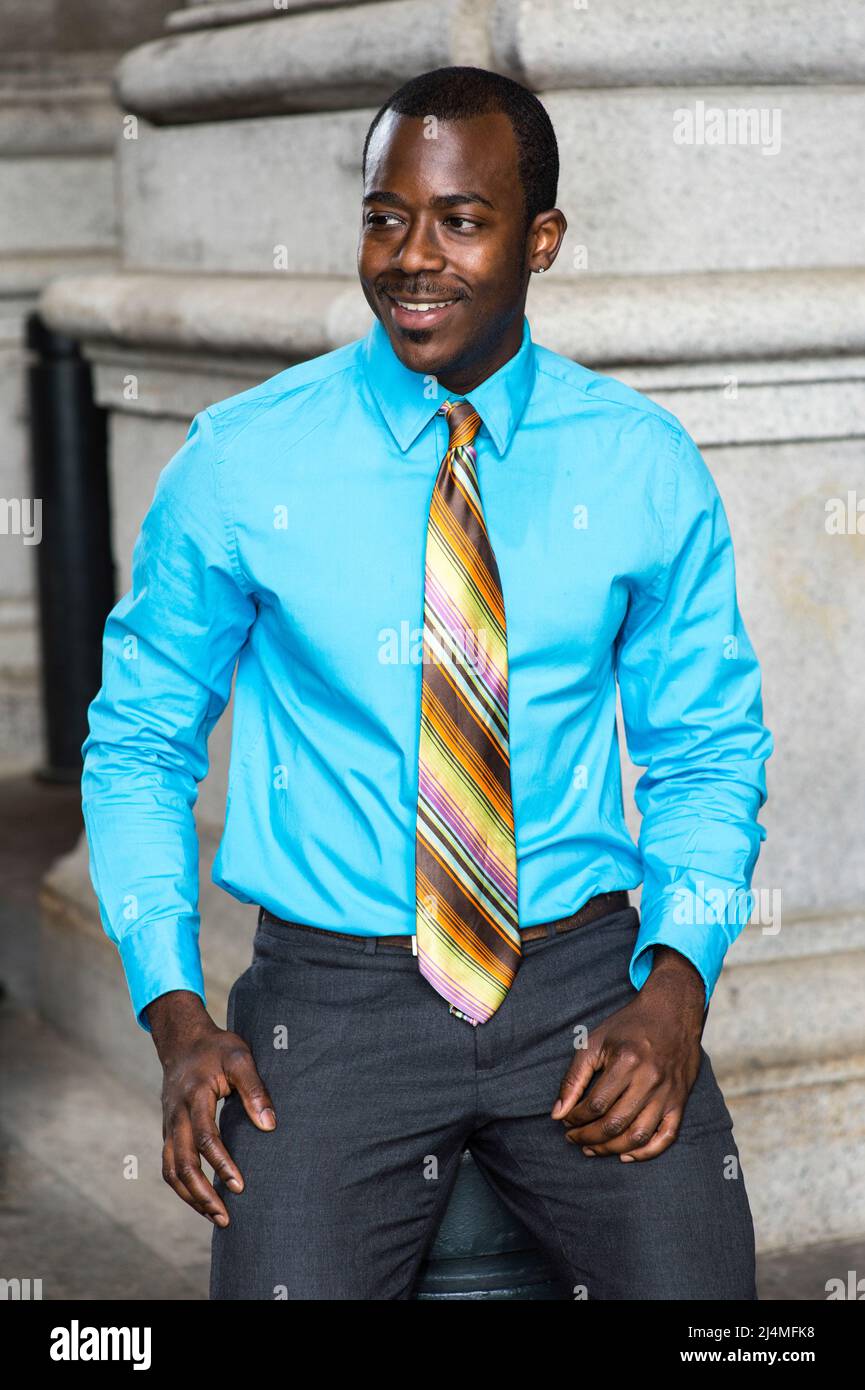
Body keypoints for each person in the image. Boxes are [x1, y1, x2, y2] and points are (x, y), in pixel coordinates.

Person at [80, 66, 773, 1300]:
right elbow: (139, 739)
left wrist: (677, 985)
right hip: (331, 996)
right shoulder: (243, 462)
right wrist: (176, 1014)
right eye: (384, 215)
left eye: (461, 219)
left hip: (580, 981)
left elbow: (707, 750)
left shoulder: (639, 466)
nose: (412, 256)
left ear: (539, 239)